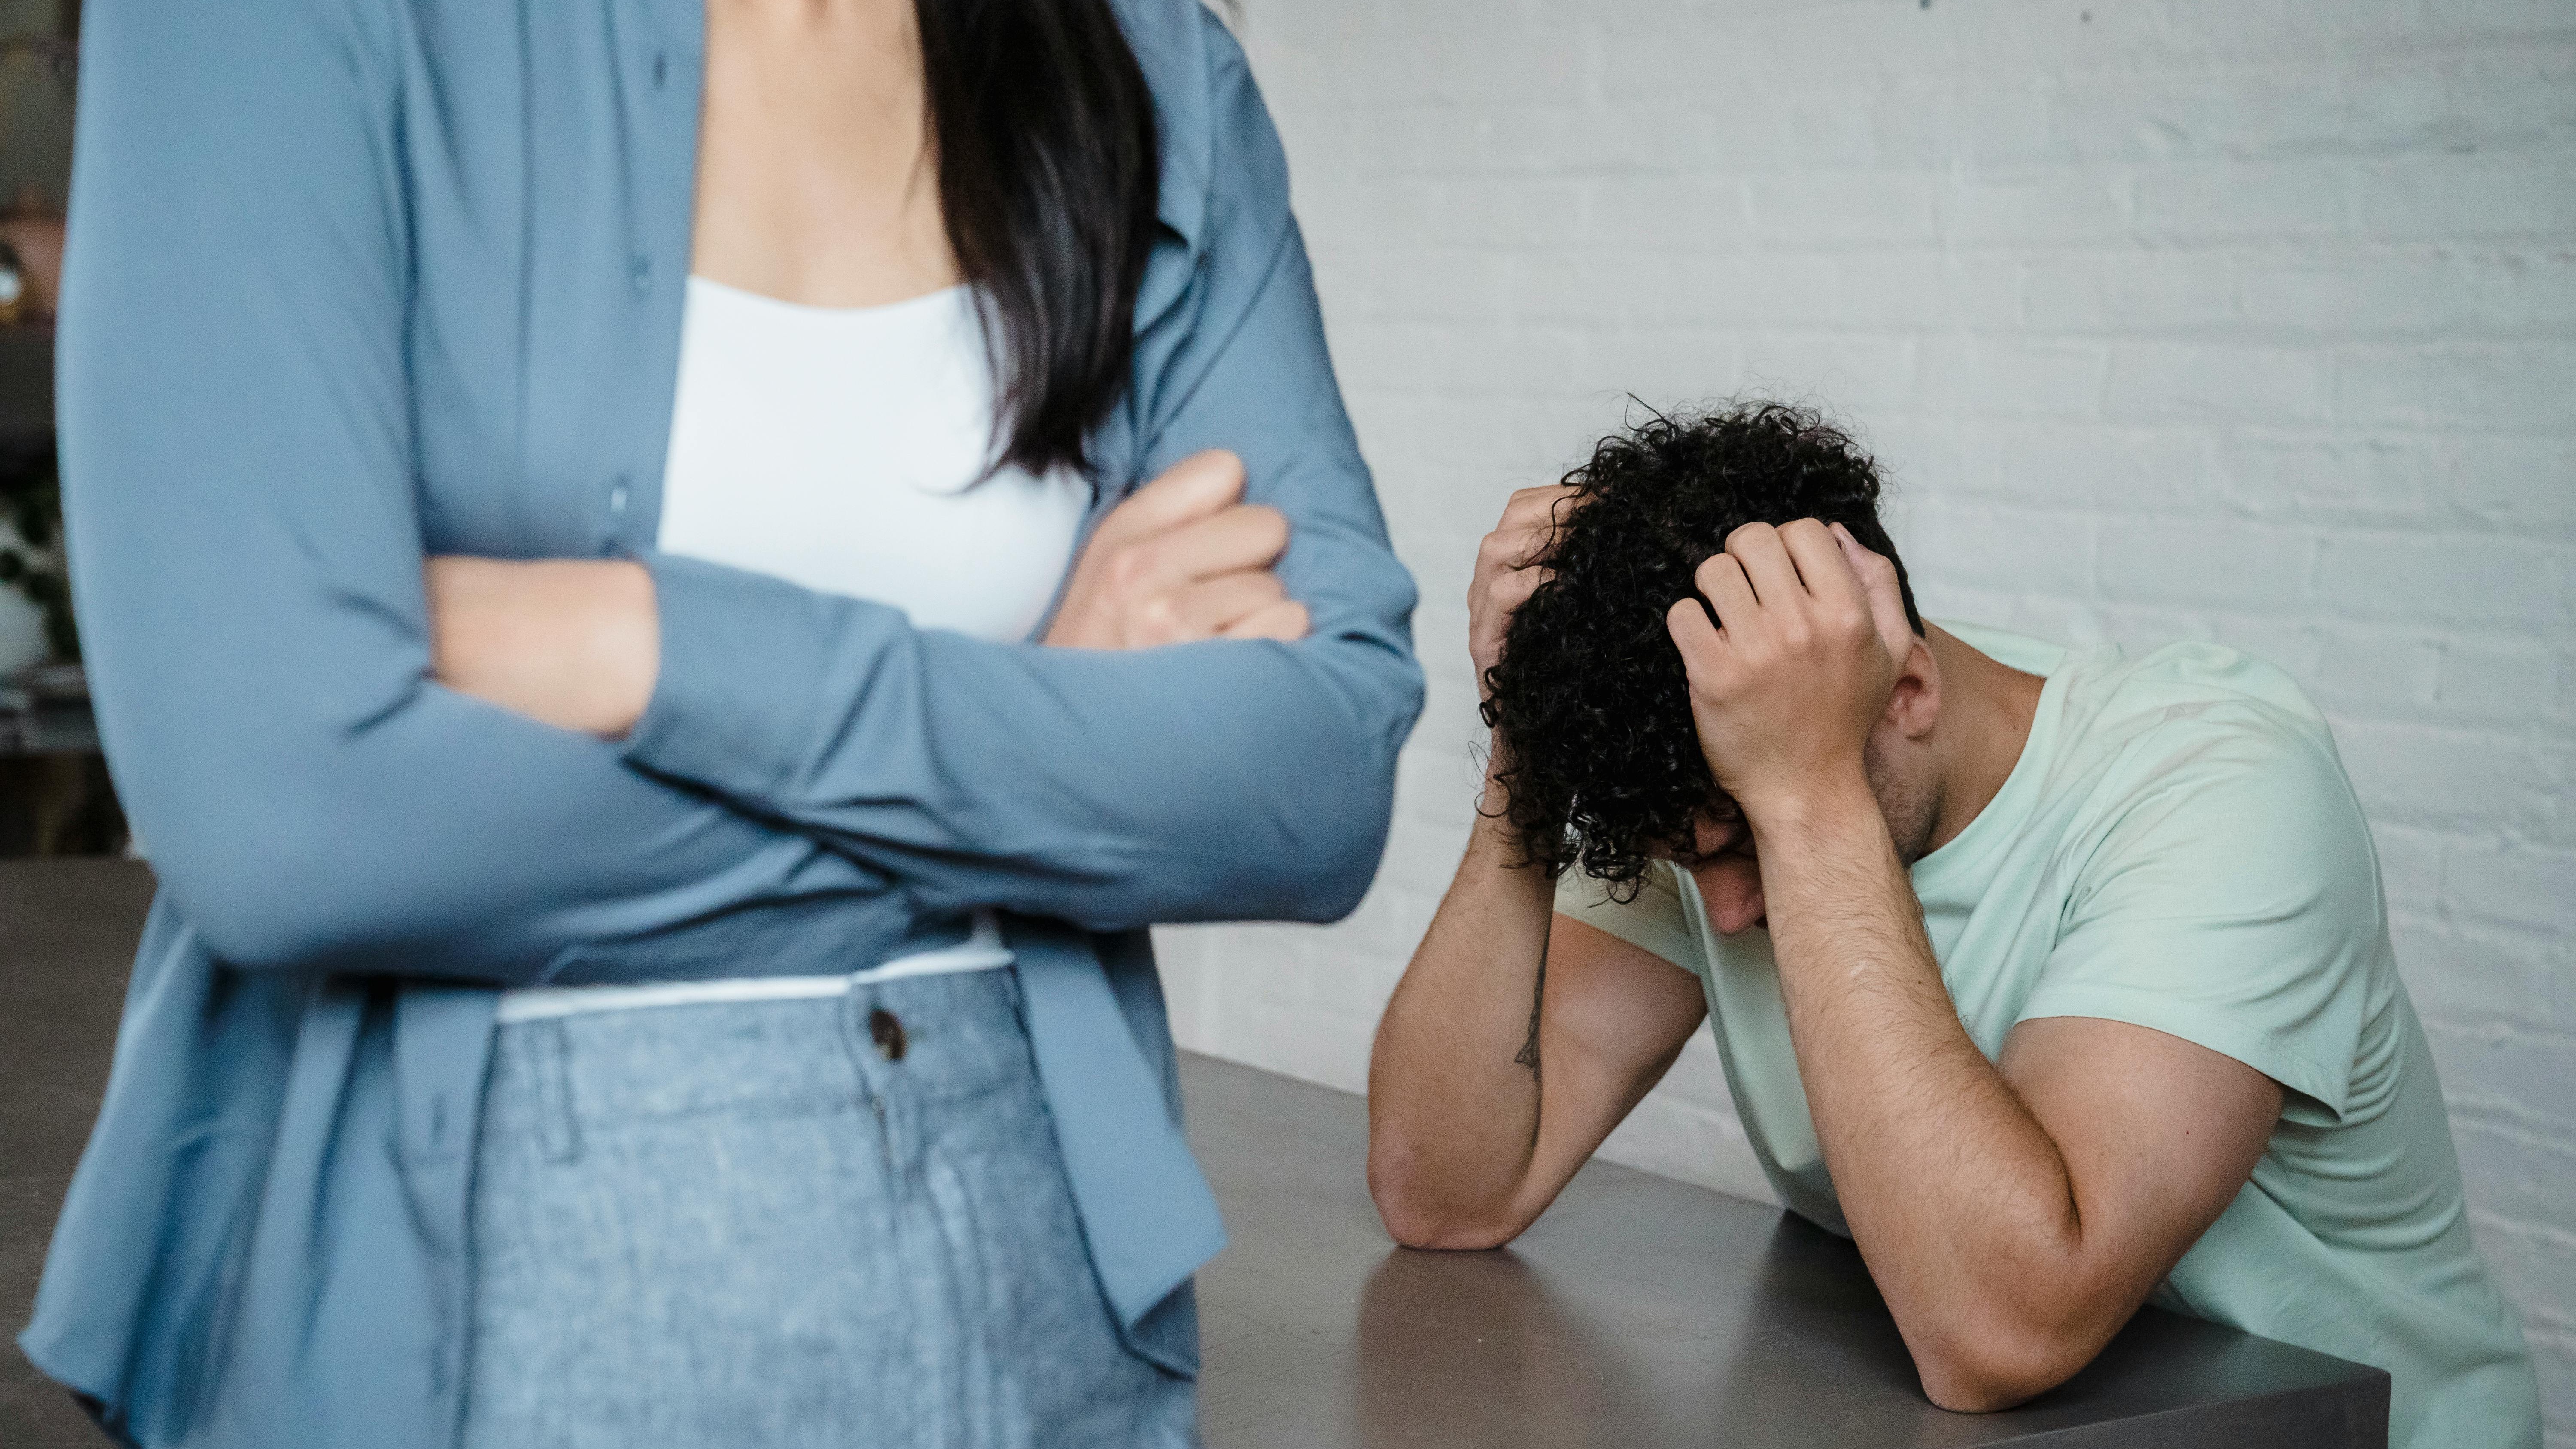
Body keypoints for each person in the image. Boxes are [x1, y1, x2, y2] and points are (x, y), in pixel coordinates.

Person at [21, 0, 1421, 1445]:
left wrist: (658, 646)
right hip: (463, 1323)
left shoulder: (1151, 61)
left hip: (1038, 1306)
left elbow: (1315, 778)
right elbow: (283, 822)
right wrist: (1036, 728)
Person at [1367, 403, 2540, 1449]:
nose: (1724, 916)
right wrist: (1528, 745)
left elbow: (2002, 1333)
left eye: (1742, 848)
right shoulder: (1727, 772)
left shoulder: (2218, 783)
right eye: (1691, 860)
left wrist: (1806, 800)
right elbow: (1451, 1192)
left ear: (1909, 695)